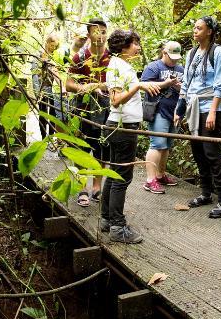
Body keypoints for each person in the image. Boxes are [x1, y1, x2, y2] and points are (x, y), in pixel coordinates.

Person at [101, 30, 162, 243]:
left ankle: (107, 219)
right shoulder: (117, 65)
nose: (138, 47)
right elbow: (115, 100)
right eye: (135, 43)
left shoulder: (120, 65)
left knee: (115, 174)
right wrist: (138, 85)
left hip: (122, 127)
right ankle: (118, 227)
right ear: (124, 45)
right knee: (122, 177)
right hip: (122, 128)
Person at [174, 16, 221, 218]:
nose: (195, 31)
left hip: (210, 107)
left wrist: (213, 111)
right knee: (198, 151)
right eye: (194, 27)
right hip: (194, 108)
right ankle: (206, 193)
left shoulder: (218, 52)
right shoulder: (192, 53)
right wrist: (179, 110)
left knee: (212, 152)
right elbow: (186, 83)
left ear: (209, 31)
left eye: (199, 28)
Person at [65, 19, 110, 206]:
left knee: (102, 148)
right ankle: (83, 187)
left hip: (106, 109)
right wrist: (89, 87)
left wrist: (105, 87)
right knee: (82, 147)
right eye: (96, 31)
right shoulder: (80, 57)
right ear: (89, 35)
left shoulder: (111, 57)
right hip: (82, 110)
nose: (100, 35)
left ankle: (97, 187)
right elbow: (68, 84)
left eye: (104, 31)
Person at [141, 41, 184, 194]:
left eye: (176, 58)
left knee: (166, 145)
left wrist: (179, 87)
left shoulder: (180, 69)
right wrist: (166, 83)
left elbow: (185, 90)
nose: (174, 61)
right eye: (171, 57)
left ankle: (160, 175)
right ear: (164, 53)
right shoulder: (154, 67)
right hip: (157, 110)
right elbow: (143, 86)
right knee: (157, 144)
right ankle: (149, 180)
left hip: (174, 112)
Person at [31, 33, 61, 139]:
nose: (53, 48)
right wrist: (37, 91)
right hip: (42, 88)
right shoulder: (38, 55)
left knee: (53, 112)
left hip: (52, 88)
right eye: (52, 45)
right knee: (43, 113)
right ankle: (44, 137)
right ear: (47, 43)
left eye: (55, 46)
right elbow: (34, 74)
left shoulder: (53, 56)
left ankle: (51, 136)